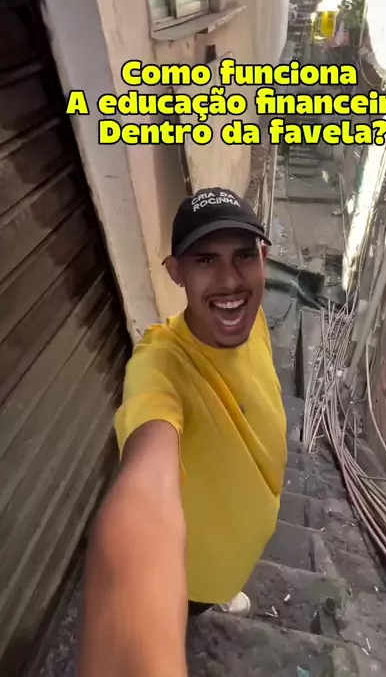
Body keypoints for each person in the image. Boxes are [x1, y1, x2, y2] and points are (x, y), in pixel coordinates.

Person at [77, 187, 287, 677]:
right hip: (196, 571)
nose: (230, 280)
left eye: (243, 255)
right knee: (197, 601)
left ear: (263, 258)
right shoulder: (161, 366)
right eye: (206, 260)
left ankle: (225, 587)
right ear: (175, 272)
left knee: (226, 579)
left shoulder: (248, 316)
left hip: (241, 538)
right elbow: (145, 496)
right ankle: (211, 595)